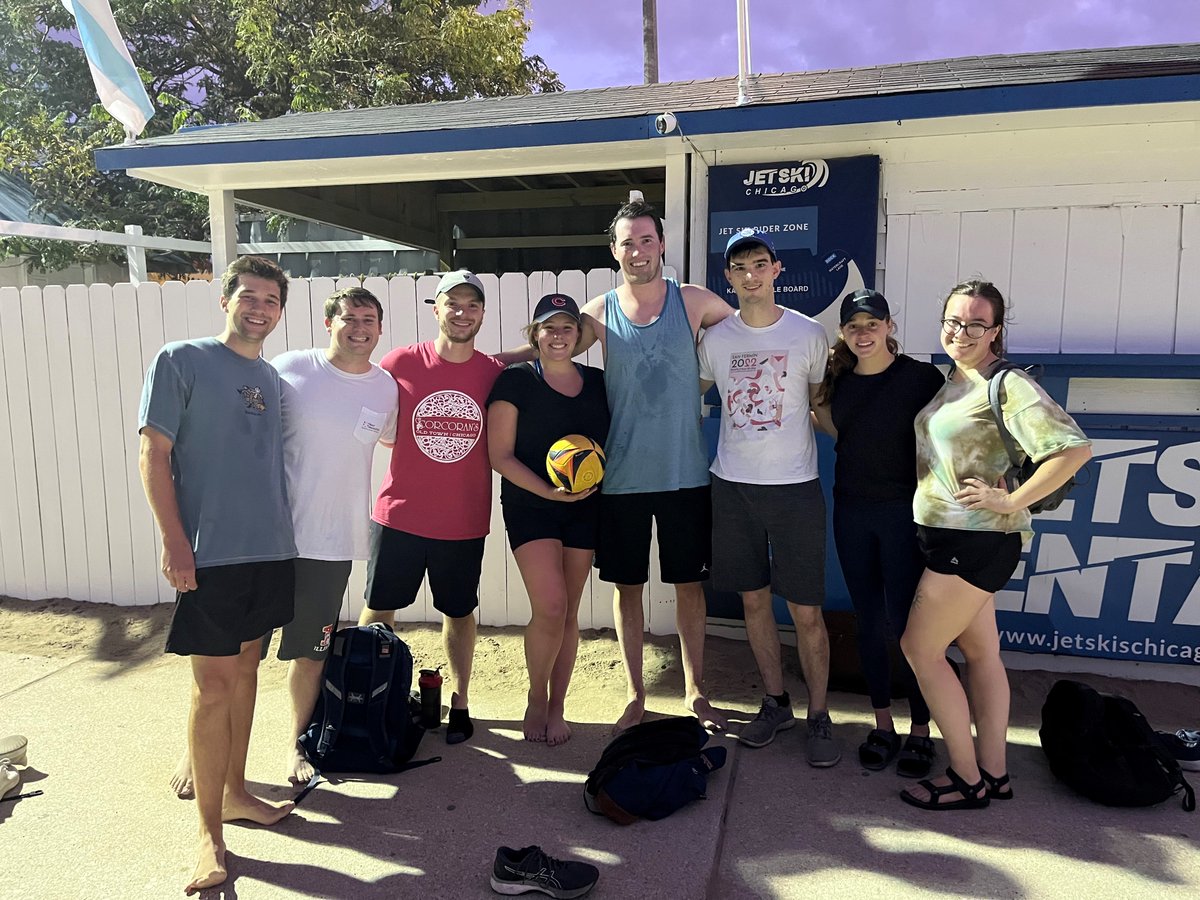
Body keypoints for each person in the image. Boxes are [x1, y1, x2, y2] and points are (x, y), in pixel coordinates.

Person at [899, 279, 1091, 810]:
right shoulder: (955, 381)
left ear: (996, 332)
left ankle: (965, 778)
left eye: (976, 324)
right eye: (953, 321)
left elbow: (1071, 450)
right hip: (955, 537)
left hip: (974, 540)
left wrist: (1011, 502)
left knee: (921, 650)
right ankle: (995, 772)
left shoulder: (1005, 385)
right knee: (982, 652)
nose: (961, 332)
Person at [138, 256, 297, 895]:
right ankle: (208, 834)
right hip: (210, 554)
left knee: (249, 671)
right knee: (211, 688)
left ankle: (233, 791)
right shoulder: (182, 359)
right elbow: (153, 451)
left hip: (269, 551)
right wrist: (176, 540)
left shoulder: (270, 378)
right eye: (249, 296)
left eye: (271, 300)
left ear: (281, 311)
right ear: (225, 300)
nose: (259, 308)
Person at [575, 199, 734, 733]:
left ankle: (694, 690)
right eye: (627, 242)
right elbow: (547, 351)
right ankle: (635, 692)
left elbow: (754, 338)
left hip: (685, 474)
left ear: (661, 245)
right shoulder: (597, 312)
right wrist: (491, 365)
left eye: (646, 240)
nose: (637, 251)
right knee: (628, 589)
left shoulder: (693, 301)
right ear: (613, 250)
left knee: (690, 587)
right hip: (620, 478)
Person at [360, 270, 524, 745]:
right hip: (400, 515)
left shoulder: (493, 372)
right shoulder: (401, 361)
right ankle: (373, 698)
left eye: (472, 305)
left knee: (459, 612)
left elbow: (524, 357)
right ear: (436, 309)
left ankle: (460, 702)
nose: (462, 313)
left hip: (463, 520)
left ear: (482, 314)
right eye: (453, 304)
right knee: (379, 611)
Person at [697, 228, 840, 767]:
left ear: (776, 270)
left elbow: (821, 407)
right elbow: (689, 393)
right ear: (728, 278)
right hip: (732, 487)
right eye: (740, 268)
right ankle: (775, 702)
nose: (750, 275)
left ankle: (820, 716)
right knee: (754, 601)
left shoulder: (809, 335)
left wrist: (866, 447)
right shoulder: (716, 340)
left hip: (796, 489)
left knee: (806, 611)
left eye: (760, 263)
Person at [813, 289, 945, 776]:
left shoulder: (921, 378)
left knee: (912, 627)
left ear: (890, 325)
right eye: (853, 326)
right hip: (852, 512)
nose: (863, 333)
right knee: (868, 619)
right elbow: (827, 421)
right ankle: (883, 723)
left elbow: (949, 436)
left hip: (904, 515)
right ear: (843, 333)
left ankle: (921, 730)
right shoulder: (837, 380)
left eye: (873, 324)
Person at [270, 287, 398, 782]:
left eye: (369, 319)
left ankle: (296, 747)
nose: (359, 327)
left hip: (332, 544)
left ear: (380, 328)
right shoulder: (290, 368)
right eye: (349, 318)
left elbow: (388, 437)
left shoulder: (385, 387)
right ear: (329, 322)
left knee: (310, 653)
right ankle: (199, 749)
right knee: (234, 654)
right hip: (270, 538)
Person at [487, 293, 610, 745]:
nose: (558, 335)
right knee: (551, 606)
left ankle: (559, 704)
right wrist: (549, 492)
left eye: (567, 328)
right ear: (534, 334)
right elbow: (499, 455)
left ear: (579, 336)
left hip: (584, 506)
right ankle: (536, 697)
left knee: (570, 612)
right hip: (531, 504)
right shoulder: (515, 380)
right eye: (549, 327)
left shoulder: (598, 382)